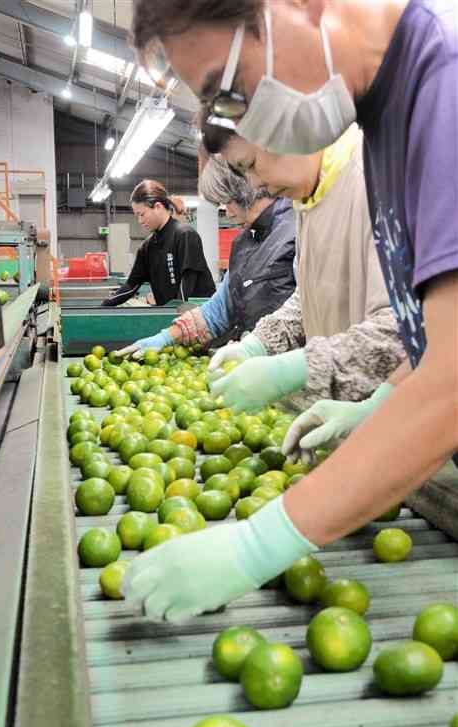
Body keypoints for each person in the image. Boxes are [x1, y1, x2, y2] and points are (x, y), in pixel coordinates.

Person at [120, 0, 458, 623]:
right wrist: (379, 403)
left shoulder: (444, 92)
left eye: (228, 86)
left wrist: (258, 544)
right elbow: (435, 339)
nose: (238, 122)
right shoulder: (387, 120)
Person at [202, 120, 405, 413]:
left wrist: (297, 368)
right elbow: (314, 293)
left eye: (252, 164)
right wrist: (261, 342)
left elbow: (405, 327)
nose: (254, 184)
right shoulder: (308, 199)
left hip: (401, 417)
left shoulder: (375, 181)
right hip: (345, 415)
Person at [118, 155, 296, 358]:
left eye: (227, 201)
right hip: (254, 367)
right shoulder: (244, 242)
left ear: (246, 191)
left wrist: (256, 347)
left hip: (291, 370)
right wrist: (166, 337)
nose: (227, 213)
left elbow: (305, 316)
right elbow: (220, 309)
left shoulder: (297, 230)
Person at [102, 179, 215, 307]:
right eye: (137, 216)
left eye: (142, 214)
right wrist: (104, 306)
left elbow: (186, 286)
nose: (139, 220)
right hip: (171, 315)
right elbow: (131, 285)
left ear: (158, 207)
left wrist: (173, 314)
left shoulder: (185, 236)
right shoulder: (147, 248)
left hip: (198, 317)